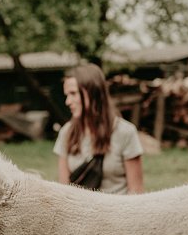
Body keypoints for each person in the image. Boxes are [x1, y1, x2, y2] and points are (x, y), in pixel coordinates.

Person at [54, 63, 144, 195]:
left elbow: (136, 192)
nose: (68, 101)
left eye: (73, 93)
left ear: (92, 93)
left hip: (118, 212)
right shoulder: (66, 133)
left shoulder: (125, 132)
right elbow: (63, 192)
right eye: (67, 95)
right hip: (80, 212)